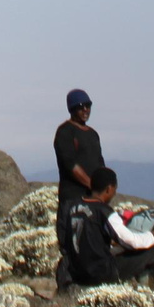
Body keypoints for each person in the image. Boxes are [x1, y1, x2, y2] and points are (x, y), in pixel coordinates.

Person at [66, 168, 154, 295]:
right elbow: (130, 241)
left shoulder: (74, 208)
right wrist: (153, 236)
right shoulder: (104, 211)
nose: (114, 194)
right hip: (101, 273)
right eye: (115, 189)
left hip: (77, 274)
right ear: (109, 188)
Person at [53, 89, 106, 291]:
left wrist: (103, 187)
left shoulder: (93, 135)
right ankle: (66, 290)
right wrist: (93, 186)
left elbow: (100, 163)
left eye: (88, 105)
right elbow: (70, 164)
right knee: (70, 244)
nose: (85, 110)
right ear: (71, 109)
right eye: (80, 107)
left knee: (91, 243)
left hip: (92, 200)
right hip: (72, 198)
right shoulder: (65, 132)